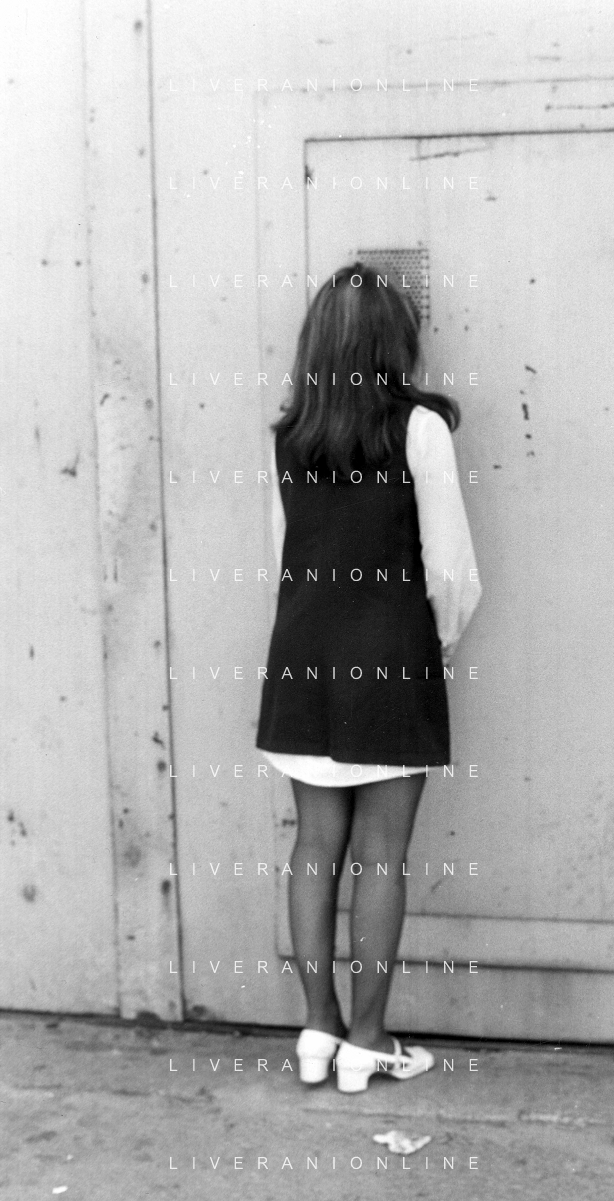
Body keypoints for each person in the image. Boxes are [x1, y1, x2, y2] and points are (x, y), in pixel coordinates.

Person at [256, 263, 481, 1093]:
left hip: (301, 654)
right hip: (389, 655)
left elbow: (281, 556)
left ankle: (316, 1030)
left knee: (313, 848)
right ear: (395, 342)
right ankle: (368, 1038)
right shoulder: (418, 428)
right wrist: (436, 644)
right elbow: (450, 569)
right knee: (381, 856)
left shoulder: (288, 436)